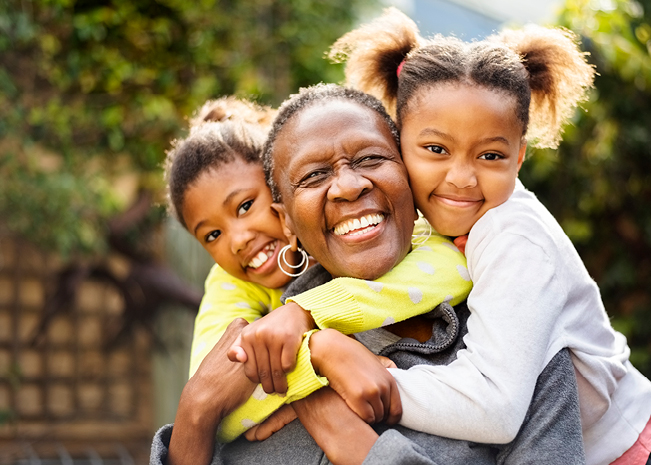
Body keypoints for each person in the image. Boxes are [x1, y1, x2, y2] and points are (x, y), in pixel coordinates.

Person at [328, 7, 651, 465]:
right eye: (436, 149)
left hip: (632, 455)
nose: (461, 177)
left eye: (491, 155)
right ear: (398, 143)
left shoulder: (512, 237)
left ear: (519, 157)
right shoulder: (427, 224)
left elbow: (496, 408)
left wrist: (379, 382)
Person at [151, 83, 586, 465]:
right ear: (286, 221)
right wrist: (196, 412)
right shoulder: (262, 351)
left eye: (372, 158)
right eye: (315, 175)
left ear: (411, 177)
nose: (348, 185)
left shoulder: (515, 343)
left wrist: (355, 443)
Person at [162, 96, 473, 442]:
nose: (237, 240)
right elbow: (212, 391)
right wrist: (316, 365)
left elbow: (454, 268)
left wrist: (308, 314)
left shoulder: (389, 225)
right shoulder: (230, 283)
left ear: (281, 189)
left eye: (246, 205)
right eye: (212, 234)